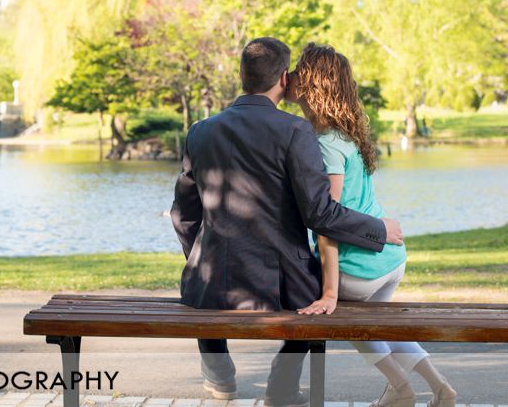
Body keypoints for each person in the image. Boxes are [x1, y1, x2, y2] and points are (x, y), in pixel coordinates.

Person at [170, 37, 405, 407]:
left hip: (210, 282)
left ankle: (220, 377)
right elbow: (319, 213)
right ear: (283, 78)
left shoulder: (200, 131)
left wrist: (199, 254)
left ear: (243, 76)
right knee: (318, 296)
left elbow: (183, 214)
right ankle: (281, 385)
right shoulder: (296, 132)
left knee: (203, 281)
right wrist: (378, 229)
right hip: (280, 286)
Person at [286, 43, 457, 407]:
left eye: (299, 70)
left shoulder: (325, 145)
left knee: (352, 323)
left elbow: (325, 220)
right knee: (379, 326)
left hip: (358, 267)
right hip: (390, 260)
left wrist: (330, 292)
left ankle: (400, 387)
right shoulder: (345, 135)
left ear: (312, 84)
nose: (292, 75)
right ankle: (440, 388)